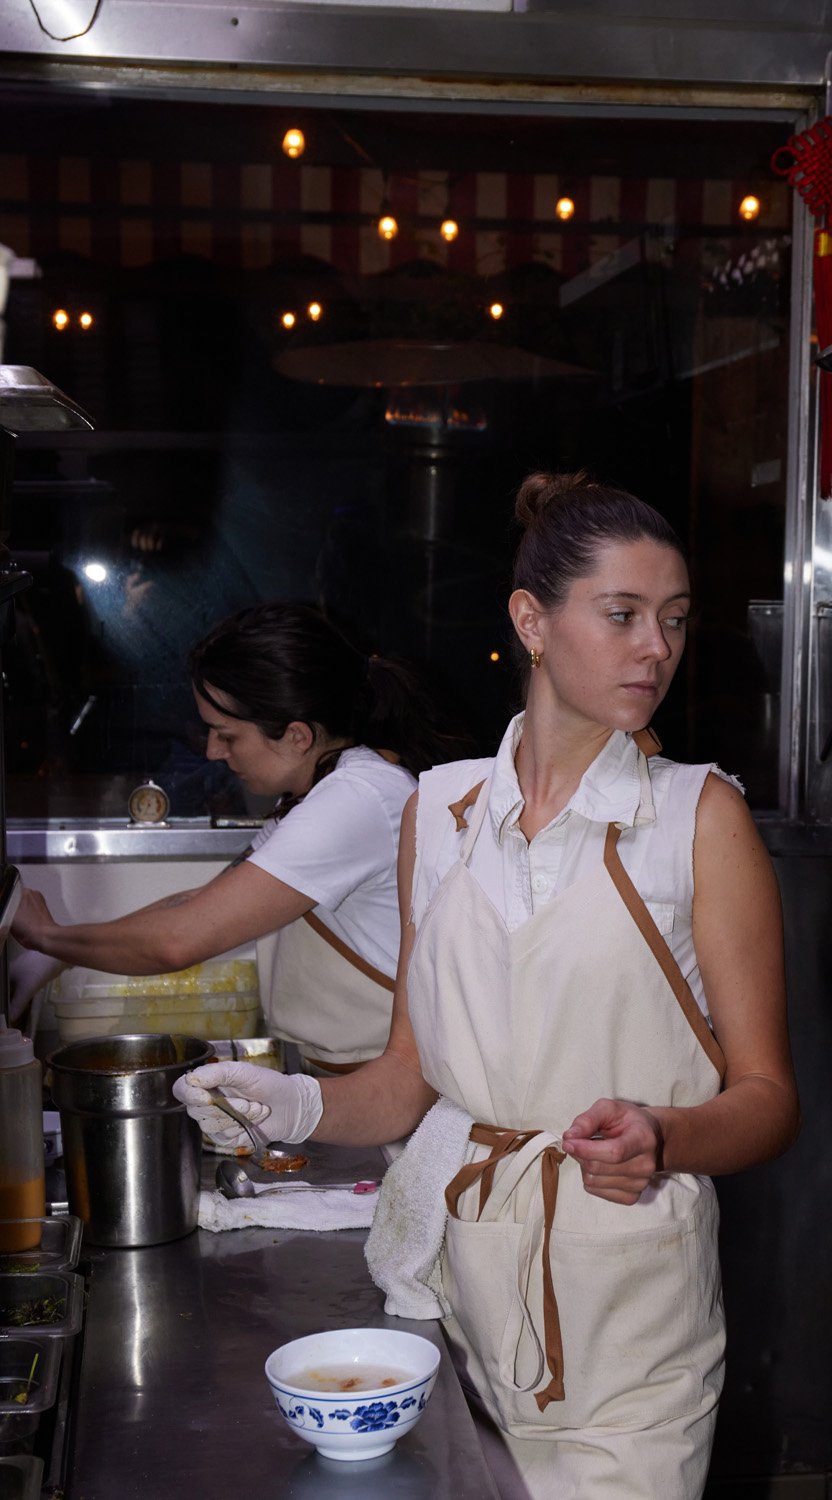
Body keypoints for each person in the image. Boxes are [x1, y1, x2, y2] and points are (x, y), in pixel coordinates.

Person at [172, 474, 799, 1498]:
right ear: (531, 622)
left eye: (674, 622)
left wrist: (663, 1134)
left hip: (629, 1314)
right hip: (460, 1297)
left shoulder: (698, 817)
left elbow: (769, 1101)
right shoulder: (443, 810)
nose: (658, 649)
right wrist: (288, 1107)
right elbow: (410, 1080)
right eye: (624, 616)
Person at [11, 601, 467, 1073]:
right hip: (349, 1074)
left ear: (296, 736)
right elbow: (199, 906)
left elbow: (178, 941)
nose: (212, 751)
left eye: (225, 735)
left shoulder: (357, 800)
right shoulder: (316, 794)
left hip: (395, 1090)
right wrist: (55, 955)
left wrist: (49, 937)